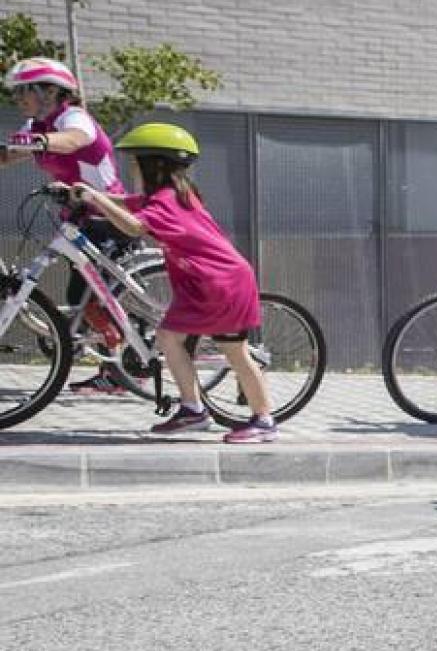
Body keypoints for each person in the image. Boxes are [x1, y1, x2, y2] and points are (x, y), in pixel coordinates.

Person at [54, 123, 279, 442]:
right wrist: (89, 196)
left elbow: (133, 226)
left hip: (220, 282)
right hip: (203, 281)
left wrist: (94, 198)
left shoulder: (165, 202)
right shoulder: (169, 195)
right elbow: (128, 203)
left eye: (135, 163)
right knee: (169, 338)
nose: (132, 170)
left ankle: (264, 421)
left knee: (235, 352)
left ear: (153, 165)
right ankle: (193, 410)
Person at [3, 57, 133, 396]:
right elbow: (7, 155)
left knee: (95, 298)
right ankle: (114, 363)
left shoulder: (71, 118)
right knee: (81, 297)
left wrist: (38, 141)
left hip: (108, 216)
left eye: (23, 92)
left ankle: (123, 367)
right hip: (78, 217)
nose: (19, 100)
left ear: (49, 91)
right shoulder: (38, 125)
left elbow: (74, 139)